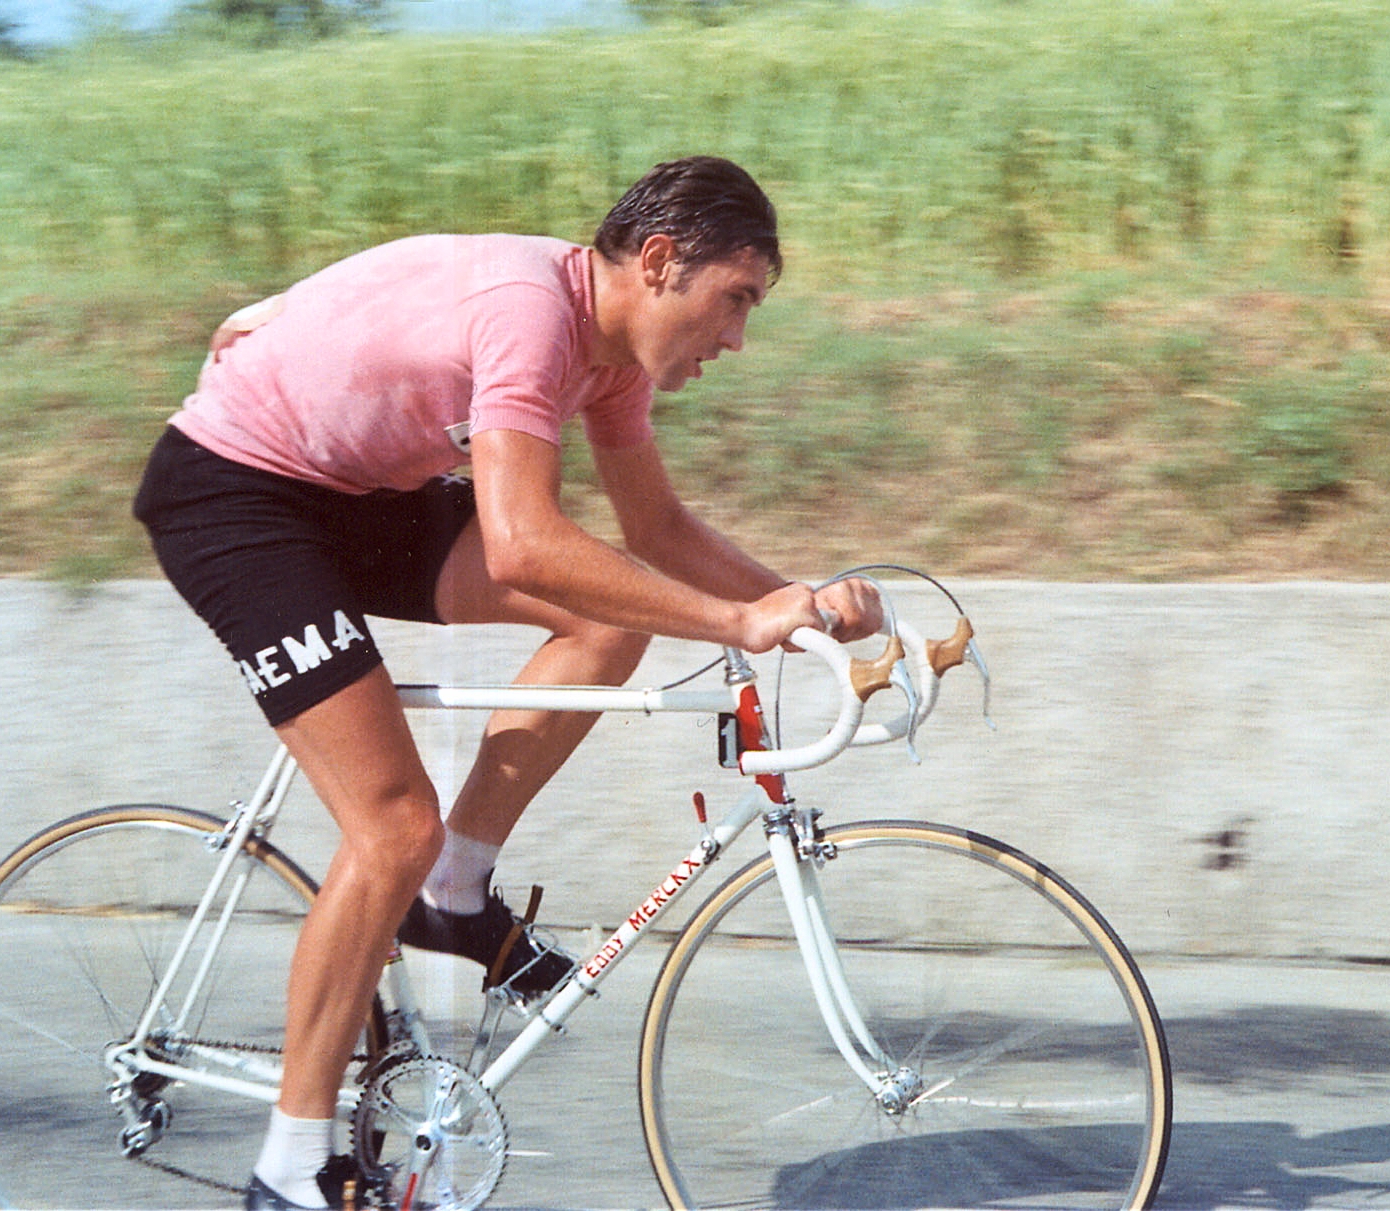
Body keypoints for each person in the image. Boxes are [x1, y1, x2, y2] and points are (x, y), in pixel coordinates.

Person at [132, 155, 882, 1210]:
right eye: (736, 300)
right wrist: (731, 621)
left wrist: (797, 602)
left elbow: (655, 533)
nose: (738, 337)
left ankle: (451, 893)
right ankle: (288, 1167)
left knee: (603, 615)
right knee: (390, 822)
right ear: (660, 263)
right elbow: (526, 543)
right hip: (234, 496)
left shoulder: (607, 354)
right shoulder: (536, 317)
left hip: (343, 490)